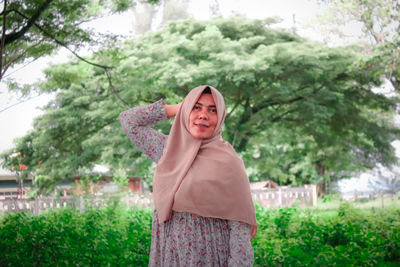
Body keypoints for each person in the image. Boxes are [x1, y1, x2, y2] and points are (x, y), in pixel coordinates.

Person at [119, 85, 257, 266]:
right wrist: (179, 107)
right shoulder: (168, 150)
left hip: (212, 257)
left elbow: (240, 233)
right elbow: (128, 120)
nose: (203, 115)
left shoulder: (230, 163)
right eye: (196, 107)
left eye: (212, 110)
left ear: (220, 117)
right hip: (171, 256)